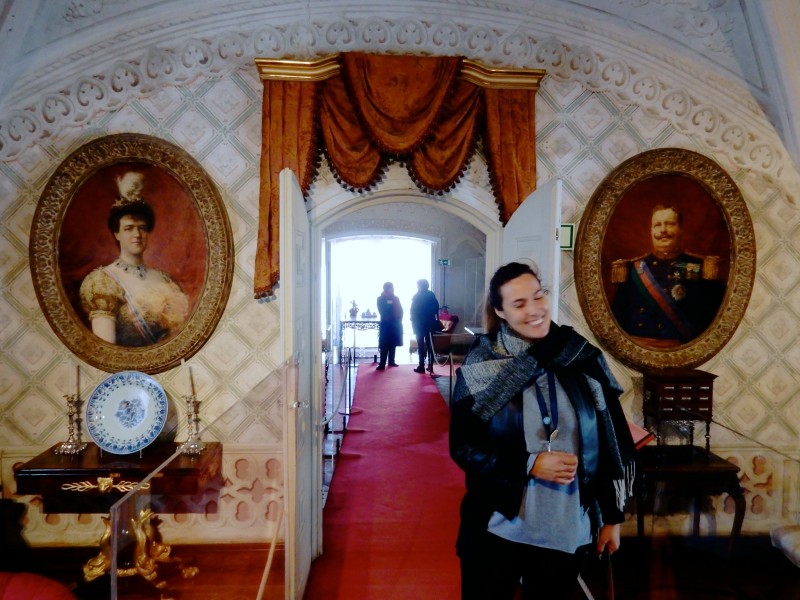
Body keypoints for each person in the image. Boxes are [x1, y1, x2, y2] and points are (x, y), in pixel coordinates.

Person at [449, 261, 636, 599]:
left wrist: (611, 517)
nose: (534, 310)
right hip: (497, 527)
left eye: (538, 297)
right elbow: (463, 446)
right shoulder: (480, 369)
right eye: (519, 304)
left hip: (565, 529)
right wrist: (529, 463)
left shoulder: (579, 357)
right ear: (501, 311)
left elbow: (609, 443)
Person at [79, 171, 189, 346]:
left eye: (142, 228)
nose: (137, 234)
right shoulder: (102, 282)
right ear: (116, 233)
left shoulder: (164, 279)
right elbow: (107, 350)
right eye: (129, 228)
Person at [610, 204, 724, 348]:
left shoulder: (702, 269)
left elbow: (713, 324)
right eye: (657, 225)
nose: (663, 230)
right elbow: (616, 323)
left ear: (681, 229)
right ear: (651, 231)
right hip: (637, 351)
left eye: (670, 224)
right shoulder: (633, 270)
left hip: (682, 353)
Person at [410, 279, 440, 374]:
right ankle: (429, 366)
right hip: (427, 323)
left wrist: (416, 318)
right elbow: (435, 309)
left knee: (422, 344)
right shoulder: (431, 295)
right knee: (429, 344)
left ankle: (422, 365)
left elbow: (414, 310)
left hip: (421, 324)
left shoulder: (419, 295)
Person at [376, 281, 403, 370]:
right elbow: (382, 311)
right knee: (384, 344)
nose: (392, 289)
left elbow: (400, 309)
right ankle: (382, 363)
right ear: (386, 289)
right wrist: (389, 317)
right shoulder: (380, 299)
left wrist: (399, 319)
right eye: (391, 287)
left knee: (393, 343)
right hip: (386, 324)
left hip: (395, 324)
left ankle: (391, 361)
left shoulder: (396, 298)